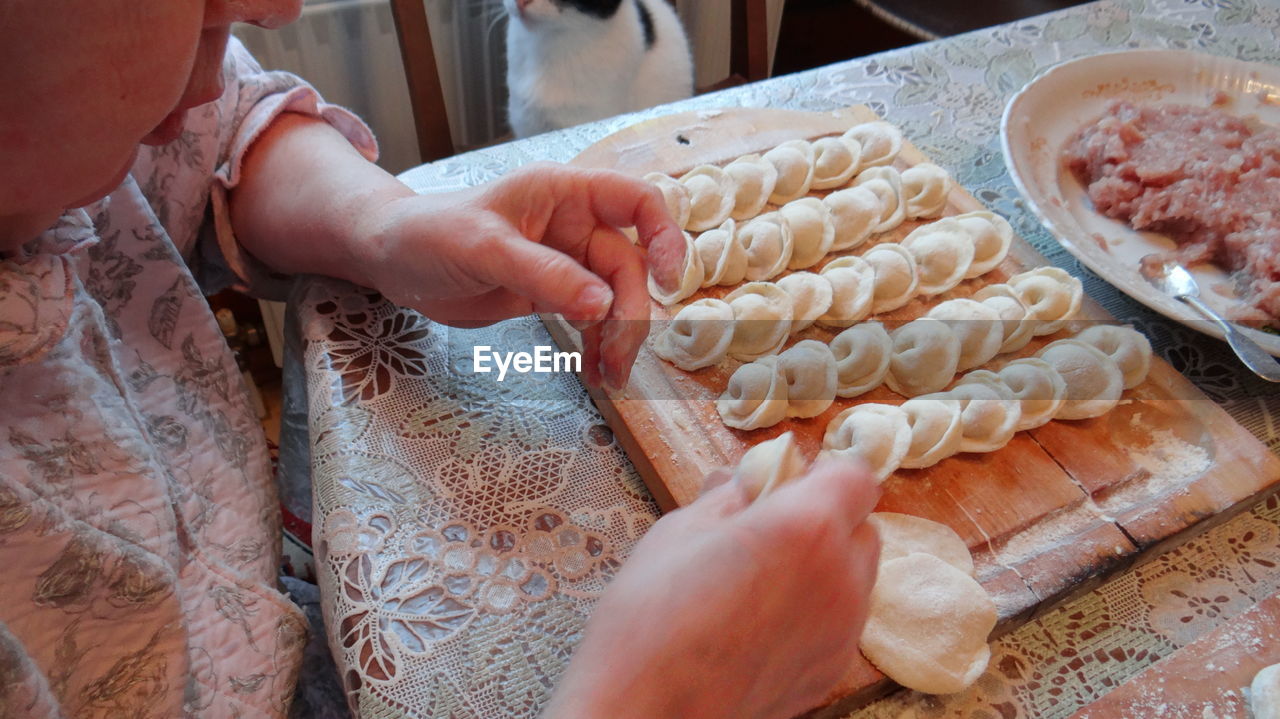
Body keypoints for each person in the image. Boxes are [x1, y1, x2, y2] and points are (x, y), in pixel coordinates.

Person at [0, 1, 881, 717]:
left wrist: (388, 227)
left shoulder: (84, 113)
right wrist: (653, 701)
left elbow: (222, 127)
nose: (277, 8)